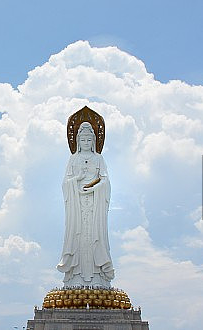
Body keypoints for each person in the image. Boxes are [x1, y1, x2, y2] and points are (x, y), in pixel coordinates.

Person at [56, 121, 115, 287]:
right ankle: (75, 277)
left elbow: (106, 180)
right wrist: (78, 178)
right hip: (77, 205)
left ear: (94, 141)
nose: (86, 143)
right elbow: (65, 183)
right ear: (78, 141)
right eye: (83, 140)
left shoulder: (99, 159)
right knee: (78, 236)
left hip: (95, 204)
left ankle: (98, 277)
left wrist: (95, 188)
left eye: (89, 140)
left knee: (95, 236)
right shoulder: (73, 159)